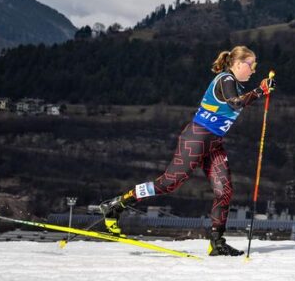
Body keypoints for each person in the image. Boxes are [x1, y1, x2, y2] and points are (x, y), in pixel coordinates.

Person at [97, 46, 276, 256]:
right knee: (168, 183)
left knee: (224, 191)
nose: (253, 70)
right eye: (251, 65)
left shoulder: (233, 83)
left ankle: (217, 242)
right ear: (238, 64)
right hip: (196, 139)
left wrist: (258, 92)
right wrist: (259, 91)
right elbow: (234, 103)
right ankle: (116, 205)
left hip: (213, 144)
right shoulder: (225, 79)